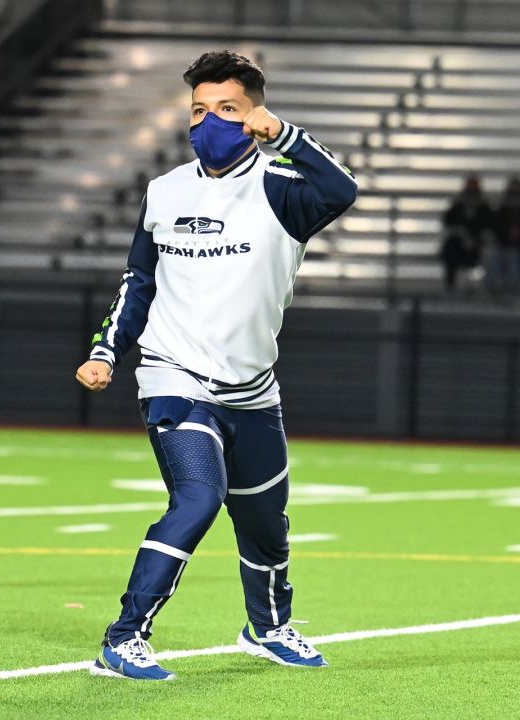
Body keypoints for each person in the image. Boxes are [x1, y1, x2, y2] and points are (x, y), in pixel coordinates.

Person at [74, 50, 357, 681]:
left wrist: (282, 135)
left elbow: (343, 189)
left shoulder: (284, 190)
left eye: (226, 110)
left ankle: (268, 626)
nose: (207, 124)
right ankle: (125, 638)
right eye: (198, 111)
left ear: (254, 113)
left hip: (253, 388)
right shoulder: (163, 190)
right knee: (198, 498)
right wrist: (105, 350)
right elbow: (138, 281)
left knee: (264, 521)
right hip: (173, 374)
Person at [439, 175, 496, 293]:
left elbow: (489, 228)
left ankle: (483, 286)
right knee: (451, 248)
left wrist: (476, 239)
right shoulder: (457, 207)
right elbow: (448, 224)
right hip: (459, 244)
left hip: (478, 244)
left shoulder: (484, 208)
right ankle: (451, 284)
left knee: (487, 252)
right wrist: (463, 235)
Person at [485, 176, 520, 294]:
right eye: (512, 193)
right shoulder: (502, 210)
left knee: (514, 256)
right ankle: (492, 288)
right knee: (494, 255)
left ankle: (511, 288)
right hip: (503, 244)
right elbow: (495, 229)